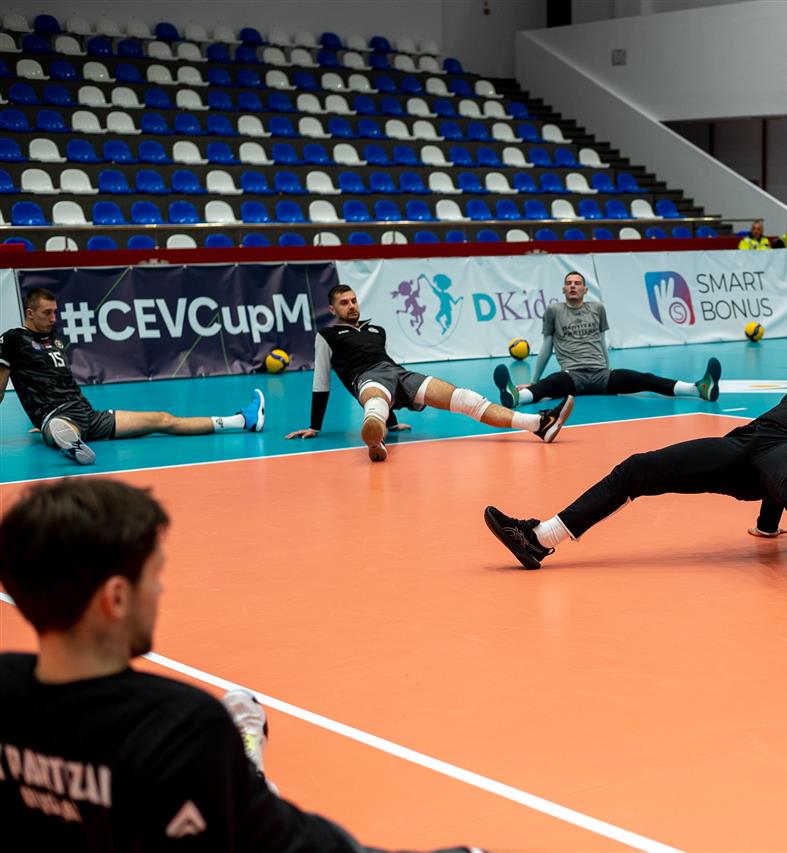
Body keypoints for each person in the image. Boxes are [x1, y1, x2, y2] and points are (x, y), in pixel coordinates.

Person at [0, 478, 479, 853]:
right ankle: (248, 772)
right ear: (117, 598)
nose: (160, 591)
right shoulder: (177, 726)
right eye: (154, 576)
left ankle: (242, 775)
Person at [484, 318, 787, 610]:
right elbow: (770, 462)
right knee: (638, 468)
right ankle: (540, 538)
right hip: (744, 445)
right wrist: (767, 526)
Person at [286, 285, 572, 461]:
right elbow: (321, 382)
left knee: (465, 398)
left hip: (399, 374)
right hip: (367, 379)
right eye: (344, 303)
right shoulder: (326, 335)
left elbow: (388, 365)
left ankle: (539, 424)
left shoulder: (376, 330)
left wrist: (394, 423)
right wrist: (315, 426)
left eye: (353, 300)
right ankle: (375, 439)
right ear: (332, 308)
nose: (351, 306)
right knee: (375, 403)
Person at [0, 288, 265, 466]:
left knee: (162, 419)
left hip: (88, 415)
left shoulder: (55, 339)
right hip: (57, 415)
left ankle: (242, 420)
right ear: (30, 313)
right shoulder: (12, 339)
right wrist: (45, 418)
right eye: (47, 313)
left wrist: (45, 422)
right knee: (61, 427)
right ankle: (67, 440)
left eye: (55, 312)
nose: (53, 318)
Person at [492, 270, 721, 408]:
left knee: (646, 379)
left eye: (577, 283)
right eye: (569, 283)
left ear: (584, 289)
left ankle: (699, 389)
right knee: (547, 386)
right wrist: (533, 380)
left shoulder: (598, 309)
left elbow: (602, 341)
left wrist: (607, 370)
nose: (573, 286)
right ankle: (516, 397)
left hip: (602, 374)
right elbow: (547, 346)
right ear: (563, 289)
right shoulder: (554, 311)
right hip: (572, 375)